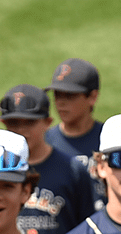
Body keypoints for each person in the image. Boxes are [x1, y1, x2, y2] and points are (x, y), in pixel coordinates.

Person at [0, 82, 93, 234]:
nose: (21, 130)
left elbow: (86, 230)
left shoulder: (73, 170)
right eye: (14, 123)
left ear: (48, 122)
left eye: (29, 122)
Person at [44, 57, 104, 210]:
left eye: (69, 95)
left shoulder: (109, 140)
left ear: (92, 97)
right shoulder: (45, 143)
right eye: (57, 94)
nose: (61, 102)